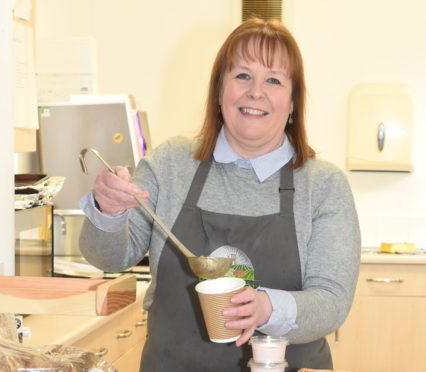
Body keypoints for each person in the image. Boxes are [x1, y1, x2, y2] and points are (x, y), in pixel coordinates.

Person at [78, 17, 361, 372]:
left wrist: (266, 308)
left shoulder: (323, 186)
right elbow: (107, 258)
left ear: (292, 102)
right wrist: (108, 210)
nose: (255, 91)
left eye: (273, 80)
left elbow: (332, 303)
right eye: (242, 75)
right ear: (218, 90)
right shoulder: (171, 163)